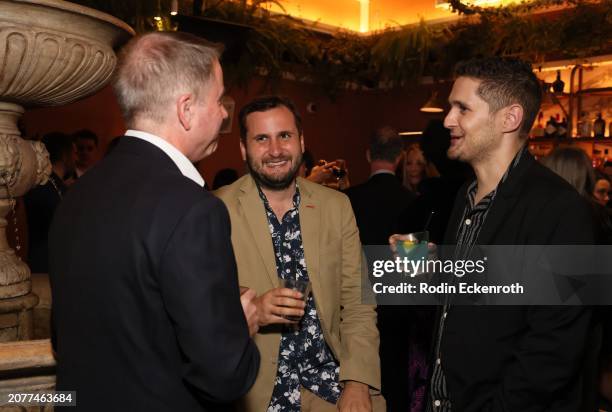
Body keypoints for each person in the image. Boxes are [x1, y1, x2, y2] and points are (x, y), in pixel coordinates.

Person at [49, 32, 260, 411]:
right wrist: (238, 329)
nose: (226, 112)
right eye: (219, 99)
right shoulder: (194, 210)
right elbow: (222, 375)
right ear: (186, 109)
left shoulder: (75, 196)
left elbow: (68, 336)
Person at [419, 57, 594, 411]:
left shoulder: (565, 209)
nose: (447, 120)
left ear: (509, 118)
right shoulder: (465, 196)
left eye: (462, 108)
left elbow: (556, 350)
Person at [215, 95, 383, 412]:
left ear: (301, 141)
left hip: (328, 388)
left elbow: (358, 302)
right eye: (261, 139)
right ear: (243, 148)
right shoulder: (216, 209)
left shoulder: (336, 206)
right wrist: (252, 310)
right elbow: (199, 307)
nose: (275, 150)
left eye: (285, 136)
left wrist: (358, 382)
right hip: (255, 394)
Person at [344, 126, 414, 411]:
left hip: (353, 311)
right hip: (398, 312)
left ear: (368, 154)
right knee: (396, 391)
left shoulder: (346, 200)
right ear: (399, 158)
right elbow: (416, 268)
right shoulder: (413, 202)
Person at [24, 132, 76, 273]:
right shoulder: (44, 186)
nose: (76, 158)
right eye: (74, 153)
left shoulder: (48, 185)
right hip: (46, 264)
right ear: (66, 156)